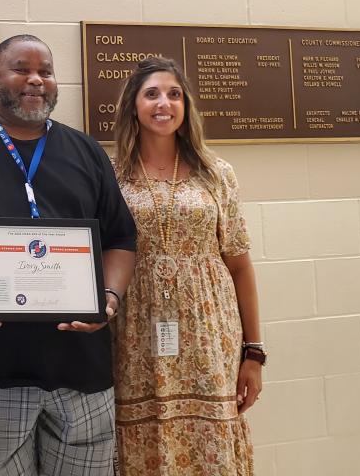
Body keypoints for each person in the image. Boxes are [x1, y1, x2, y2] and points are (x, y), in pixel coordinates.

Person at [0, 34, 137, 476]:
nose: (36, 79)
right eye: (22, 68)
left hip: (82, 366)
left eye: (46, 71)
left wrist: (109, 298)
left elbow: (120, 239)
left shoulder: (89, 153)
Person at [109, 56, 263, 475]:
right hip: (134, 334)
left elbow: (240, 264)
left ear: (186, 105)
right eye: (152, 94)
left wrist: (254, 351)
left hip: (209, 334)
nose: (164, 103)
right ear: (133, 106)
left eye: (174, 94)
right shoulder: (111, 175)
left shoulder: (216, 173)